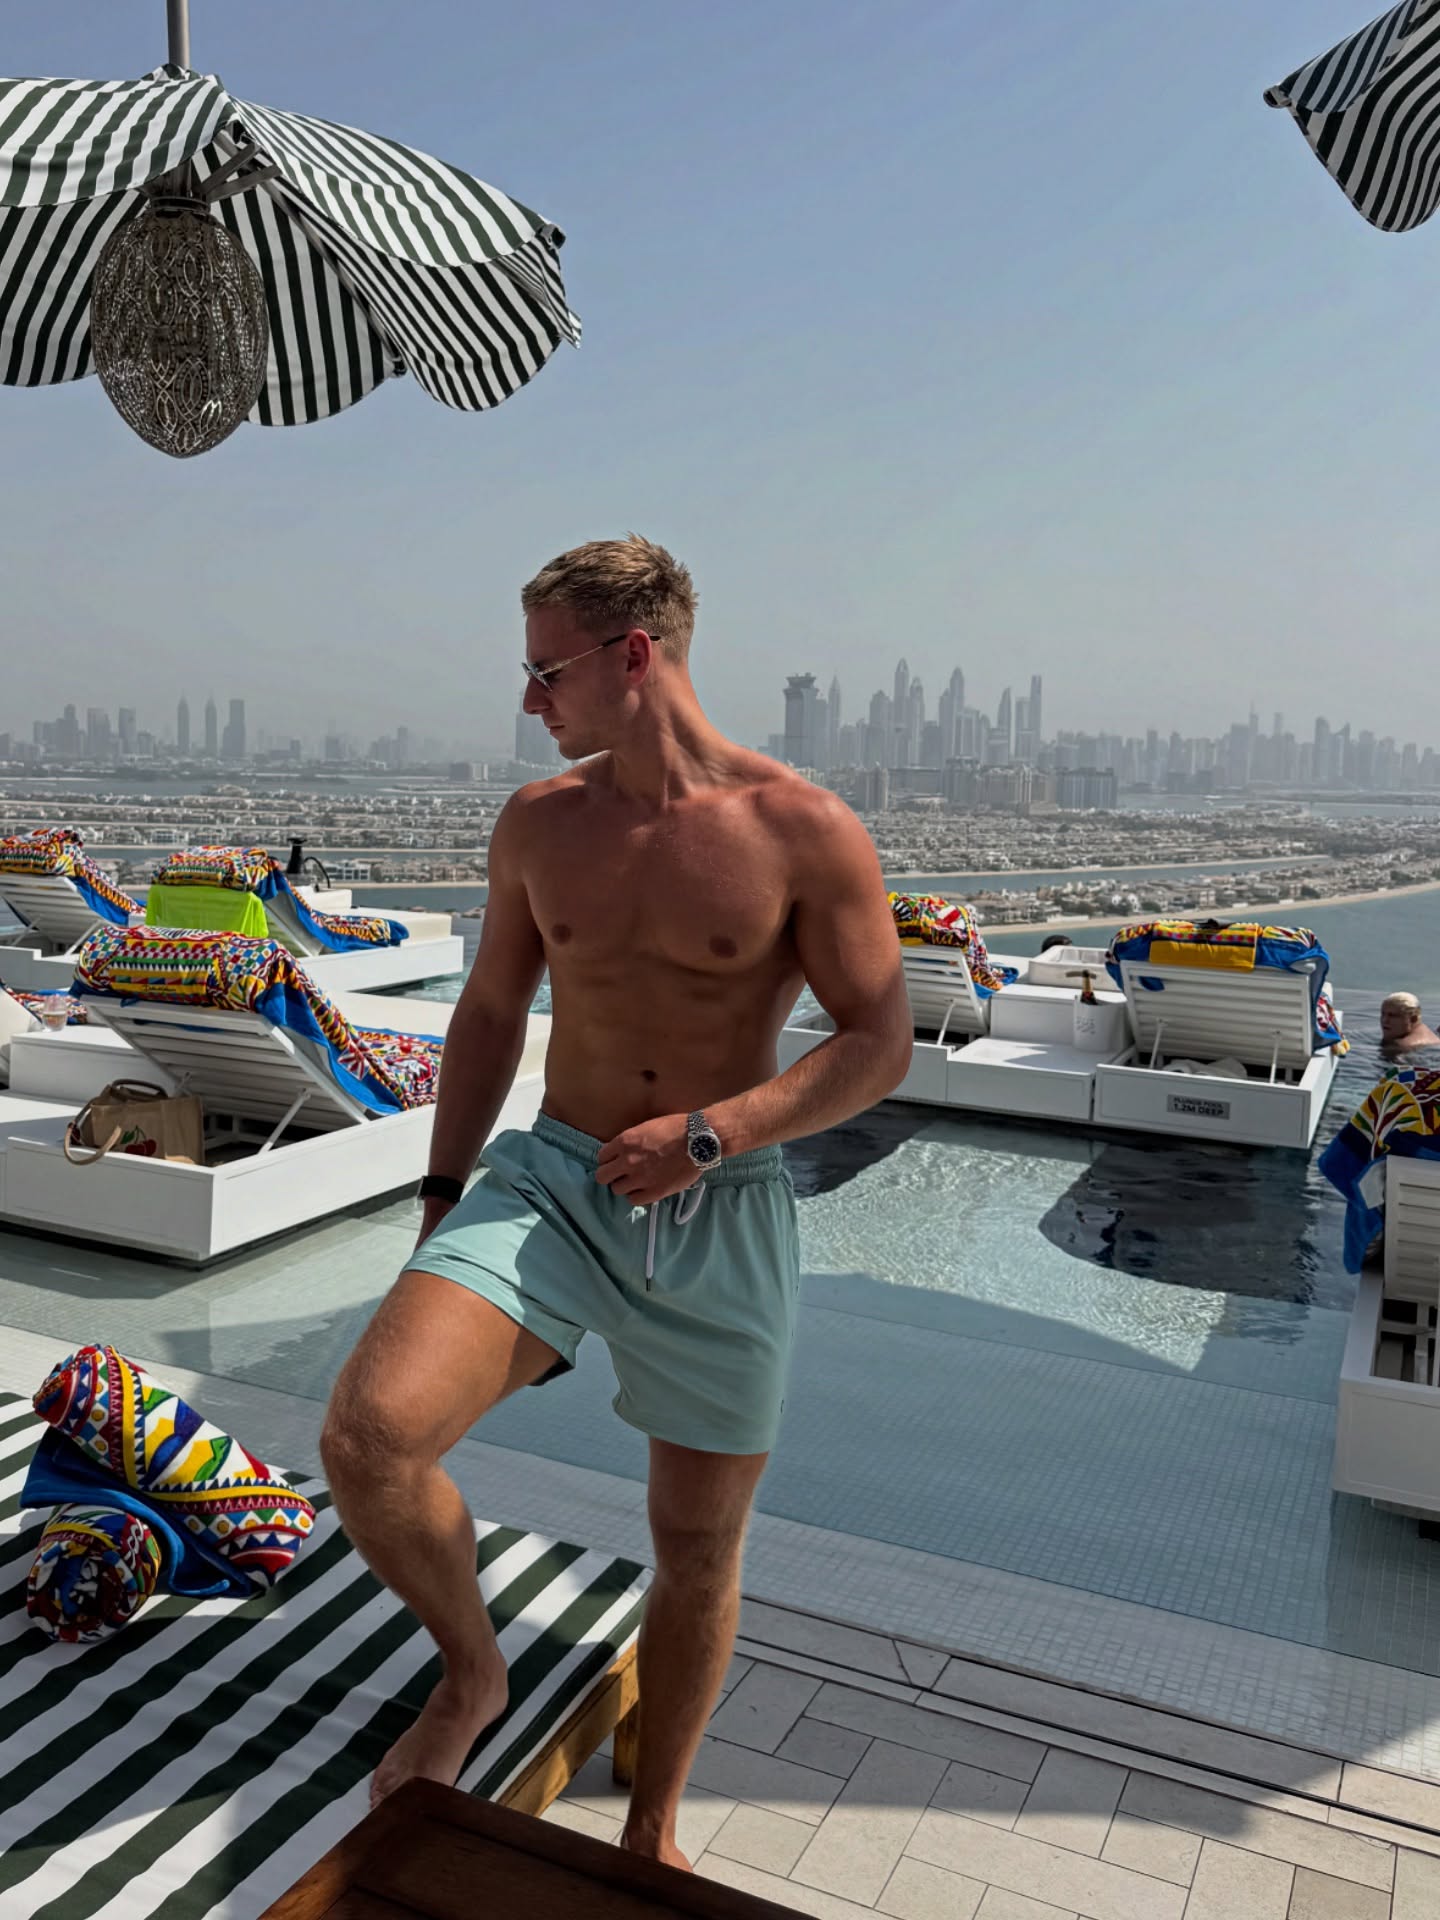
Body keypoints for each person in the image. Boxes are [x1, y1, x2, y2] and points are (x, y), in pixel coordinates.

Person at [320, 535, 911, 1869]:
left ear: (633, 655)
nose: (530, 699)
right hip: (555, 1180)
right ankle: (473, 1674)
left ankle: (653, 1832)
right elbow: (488, 1011)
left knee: (696, 1542)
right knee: (370, 1439)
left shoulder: (802, 830)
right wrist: (442, 1194)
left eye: (549, 671)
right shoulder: (540, 823)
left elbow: (879, 1041)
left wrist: (717, 1132)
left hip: (723, 1205)